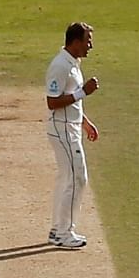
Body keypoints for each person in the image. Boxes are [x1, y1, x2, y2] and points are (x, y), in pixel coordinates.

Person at [44, 21, 100, 250]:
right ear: (75, 41)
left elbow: (70, 100)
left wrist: (85, 122)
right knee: (78, 178)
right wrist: (82, 92)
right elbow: (52, 102)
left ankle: (58, 230)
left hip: (71, 127)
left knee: (67, 178)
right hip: (62, 129)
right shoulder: (60, 66)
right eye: (87, 40)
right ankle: (64, 232)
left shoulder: (73, 63)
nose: (90, 46)